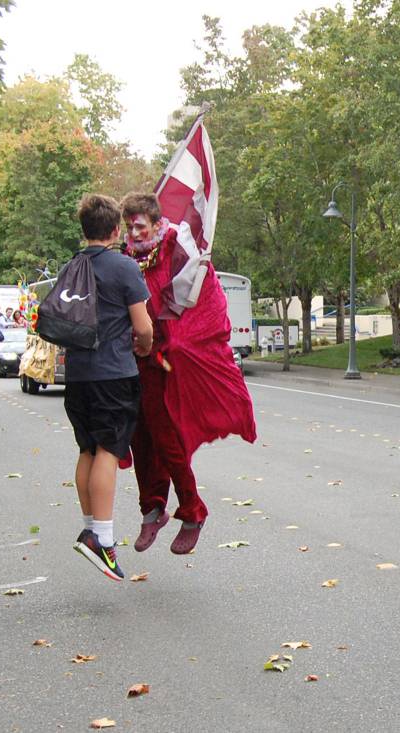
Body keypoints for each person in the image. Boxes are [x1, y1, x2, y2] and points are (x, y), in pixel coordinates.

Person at [120, 192, 256, 556]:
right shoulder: (124, 258)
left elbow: (205, 300)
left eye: (139, 225)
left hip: (168, 363)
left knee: (168, 443)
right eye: (128, 226)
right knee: (139, 438)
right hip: (135, 365)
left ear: (153, 220)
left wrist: (173, 340)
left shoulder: (178, 249)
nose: (133, 233)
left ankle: (192, 511)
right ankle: (152, 510)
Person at [64, 194, 153, 582]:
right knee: (109, 450)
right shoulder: (124, 267)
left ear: (85, 230)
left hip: (77, 376)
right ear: (116, 230)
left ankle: (89, 527)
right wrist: (144, 347)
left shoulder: (72, 266)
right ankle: (102, 537)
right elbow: (144, 326)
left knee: (87, 447)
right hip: (113, 375)